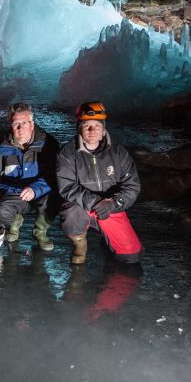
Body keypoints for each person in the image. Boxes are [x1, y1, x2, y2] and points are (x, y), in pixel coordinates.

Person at [56, 101, 143, 264]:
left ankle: (106, 235)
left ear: (103, 129)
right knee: (71, 212)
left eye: (96, 125)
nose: (91, 130)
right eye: (86, 125)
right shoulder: (67, 153)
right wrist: (96, 201)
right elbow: (67, 186)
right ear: (79, 128)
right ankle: (79, 244)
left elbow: (132, 186)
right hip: (82, 207)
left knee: (131, 257)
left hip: (110, 207)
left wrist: (114, 203)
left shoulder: (119, 153)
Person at [0, 102, 60, 251]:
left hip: (41, 193)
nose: (20, 129)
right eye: (16, 124)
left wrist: (35, 189)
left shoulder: (49, 143)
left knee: (57, 196)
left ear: (32, 124)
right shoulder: (1, 146)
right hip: (14, 195)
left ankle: (40, 232)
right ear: (10, 125)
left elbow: (55, 176)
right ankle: (15, 220)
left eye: (24, 123)